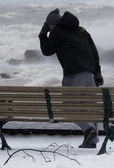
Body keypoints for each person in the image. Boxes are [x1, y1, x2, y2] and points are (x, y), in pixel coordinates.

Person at [38, 8, 104, 148]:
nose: (48, 29)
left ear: (52, 24)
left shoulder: (58, 31)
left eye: (48, 26)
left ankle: (89, 130)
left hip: (73, 73)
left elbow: (47, 51)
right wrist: (97, 72)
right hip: (89, 73)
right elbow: (94, 51)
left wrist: (43, 34)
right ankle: (92, 141)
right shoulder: (82, 31)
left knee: (69, 108)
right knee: (90, 107)